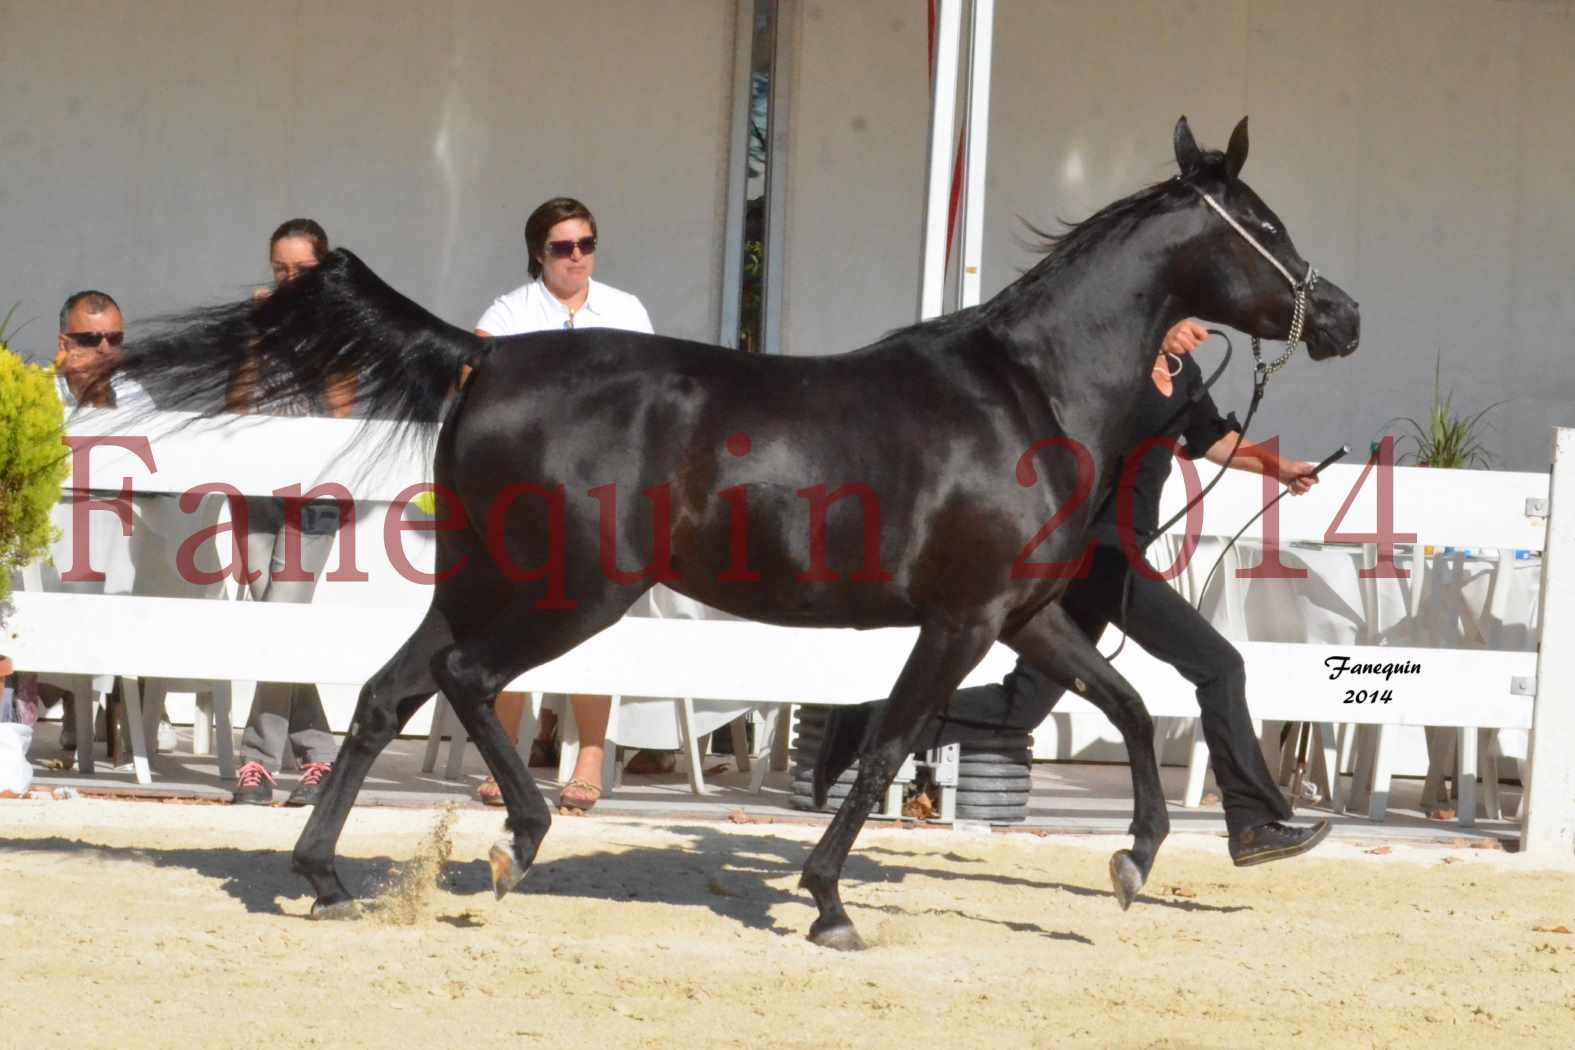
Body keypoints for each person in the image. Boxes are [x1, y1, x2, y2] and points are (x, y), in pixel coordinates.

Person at [830, 319, 1330, 867]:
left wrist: (1279, 468)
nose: (1201, 334)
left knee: (1020, 709)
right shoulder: (1109, 369)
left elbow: (1212, 439)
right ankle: (1253, 821)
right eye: (1190, 320)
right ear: (1161, 312)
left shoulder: (1185, 375)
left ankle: (867, 725)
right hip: (1099, 552)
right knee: (1219, 666)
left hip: (1117, 553)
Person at [472, 196, 653, 814]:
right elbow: (478, 389)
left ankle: (591, 757)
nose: (577, 257)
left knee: (600, 616)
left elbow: (649, 402)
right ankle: (507, 755)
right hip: (530, 486)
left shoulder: (625, 310)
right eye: (563, 247)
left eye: (586, 244)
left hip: (608, 489)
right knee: (514, 613)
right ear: (538, 254)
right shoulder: (508, 311)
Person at [227, 219, 351, 805]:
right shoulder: (260, 321)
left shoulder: (340, 325)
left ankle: (256, 761)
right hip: (257, 484)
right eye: (280, 268)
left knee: (281, 614)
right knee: (276, 619)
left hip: (316, 491)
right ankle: (322, 755)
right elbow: (236, 403)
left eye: (300, 270)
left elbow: (342, 406)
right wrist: (255, 336)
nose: (288, 278)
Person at [50, 291, 171, 754]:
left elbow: (156, 471)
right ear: (64, 342)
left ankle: (112, 702)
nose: (105, 350)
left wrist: (101, 401)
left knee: (123, 551)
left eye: (114, 339)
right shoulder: (39, 390)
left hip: (118, 538)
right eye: (90, 338)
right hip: (50, 539)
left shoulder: (133, 393)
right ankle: (71, 698)